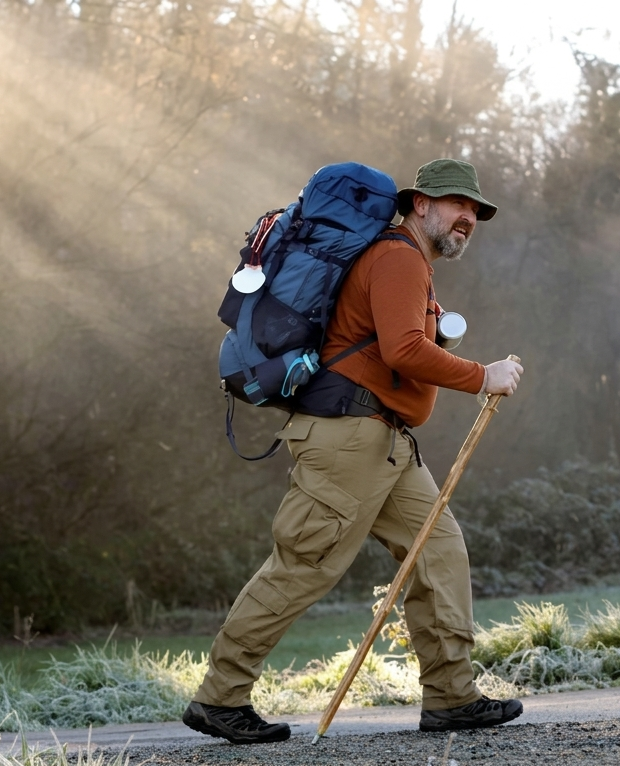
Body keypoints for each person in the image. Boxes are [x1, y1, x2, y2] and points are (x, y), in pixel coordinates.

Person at [182, 159, 526, 744]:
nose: (467, 217)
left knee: (438, 552)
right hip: (349, 437)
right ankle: (220, 697)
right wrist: (480, 375)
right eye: (456, 204)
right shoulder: (397, 256)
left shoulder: (409, 261)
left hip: (383, 441)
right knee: (304, 565)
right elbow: (403, 350)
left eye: (475, 210)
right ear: (421, 204)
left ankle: (451, 697)